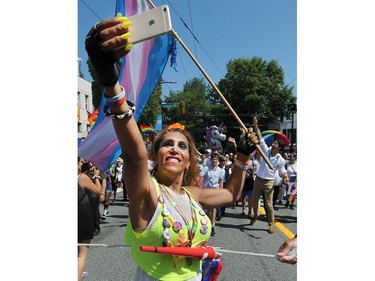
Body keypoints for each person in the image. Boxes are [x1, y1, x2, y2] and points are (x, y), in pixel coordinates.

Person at [85, 15, 259, 280]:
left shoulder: (193, 195)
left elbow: (232, 193)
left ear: (190, 159)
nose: (175, 149)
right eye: (167, 144)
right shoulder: (147, 193)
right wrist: (111, 85)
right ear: (156, 155)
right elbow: (134, 157)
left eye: (182, 146)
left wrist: (243, 156)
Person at [250, 117, 289, 234]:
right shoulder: (265, 150)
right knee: (254, 201)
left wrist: (284, 177)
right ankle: (255, 215)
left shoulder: (280, 160)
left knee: (269, 204)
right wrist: (256, 125)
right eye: (273, 142)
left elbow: (282, 171)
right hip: (258, 179)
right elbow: (260, 137)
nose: (273, 144)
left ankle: (271, 224)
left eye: (275, 143)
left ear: (279, 147)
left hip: (269, 182)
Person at [78, 158, 103, 281]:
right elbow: (98, 191)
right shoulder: (81, 177)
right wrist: (97, 177)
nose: (82, 164)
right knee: (82, 253)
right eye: (80, 162)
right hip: (82, 214)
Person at [200, 152, 225, 236]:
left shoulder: (221, 171)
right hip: (206, 191)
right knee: (207, 209)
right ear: (210, 160)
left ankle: (212, 226)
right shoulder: (206, 169)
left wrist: (221, 193)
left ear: (218, 161)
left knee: (213, 209)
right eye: (213, 159)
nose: (214, 160)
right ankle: (206, 224)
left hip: (215, 191)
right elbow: (200, 178)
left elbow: (221, 182)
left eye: (216, 159)